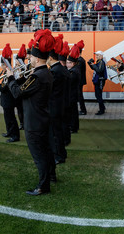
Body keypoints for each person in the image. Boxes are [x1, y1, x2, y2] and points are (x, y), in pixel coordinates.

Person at [8, 30, 56, 195]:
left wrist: (10, 78)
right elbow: (26, 89)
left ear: (36, 58)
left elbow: (17, 92)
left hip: (34, 121)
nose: (29, 60)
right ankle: (51, 176)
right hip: (42, 118)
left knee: (39, 155)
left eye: (31, 58)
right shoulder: (46, 73)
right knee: (46, 151)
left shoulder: (37, 76)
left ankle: (43, 186)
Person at [48, 35, 68, 164]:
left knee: (56, 133)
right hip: (61, 105)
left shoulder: (55, 71)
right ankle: (61, 154)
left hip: (54, 106)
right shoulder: (62, 69)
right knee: (58, 131)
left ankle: (59, 156)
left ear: (50, 58)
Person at [0, 44, 20, 143]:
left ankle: (15, 135)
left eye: (2, 65)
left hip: (9, 100)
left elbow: (3, 87)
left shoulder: (9, 73)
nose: (1, 66)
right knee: (7, 117)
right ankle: (9, 132)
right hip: (5, 100)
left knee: (11, 118)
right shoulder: (3, 73)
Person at [67, 44, 81, 134]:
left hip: (72, 93)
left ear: (72, 63)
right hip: (73, 93)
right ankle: (73, 126)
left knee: (73, 112)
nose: (67, 64)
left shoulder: (73, 71)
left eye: (68, 62)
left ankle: (73, 127)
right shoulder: (74, 70)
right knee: (73, 111)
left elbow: (70, 82)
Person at [88, 50, 107, 115]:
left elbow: (99, 70)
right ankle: (102, 108)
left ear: (101, 56)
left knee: (99, 95)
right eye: (96, 55)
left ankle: (101, 110)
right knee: (98, 95)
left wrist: (93, 65)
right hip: (98, 80)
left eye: (98, 55)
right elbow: (94, 68)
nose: (96, 56)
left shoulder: (101, 62)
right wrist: (91, 64)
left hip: (100, 80)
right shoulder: (99, 62)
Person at [75, 40, 87, 116]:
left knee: (80, 96)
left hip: (79, 81)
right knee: (79, 95)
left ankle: (83, 110)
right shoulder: (80, 60)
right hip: (80, 80)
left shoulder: (79, 60)